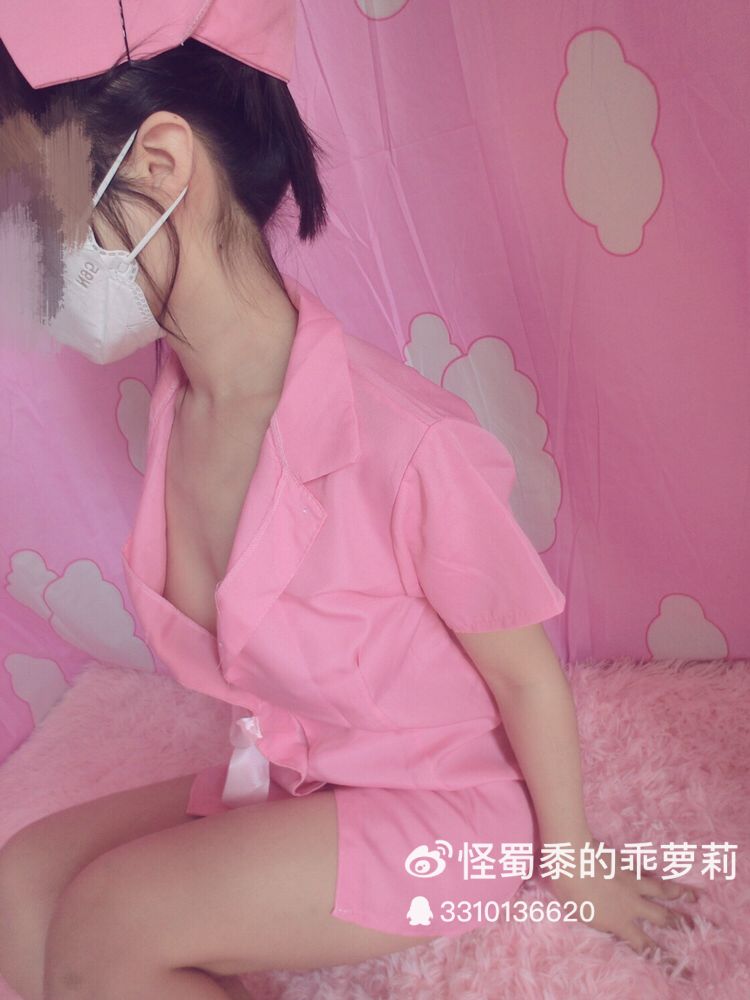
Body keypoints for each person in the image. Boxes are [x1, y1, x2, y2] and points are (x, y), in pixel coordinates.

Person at [0, 26, 701, 1000]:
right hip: (302, 770)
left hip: (442, 808)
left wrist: (576, 862)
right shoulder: (180, 401)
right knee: (20, 888)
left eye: (31, 197)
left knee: (106, 922)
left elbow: (525, 674)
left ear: (159, 164)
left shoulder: (406, 443)